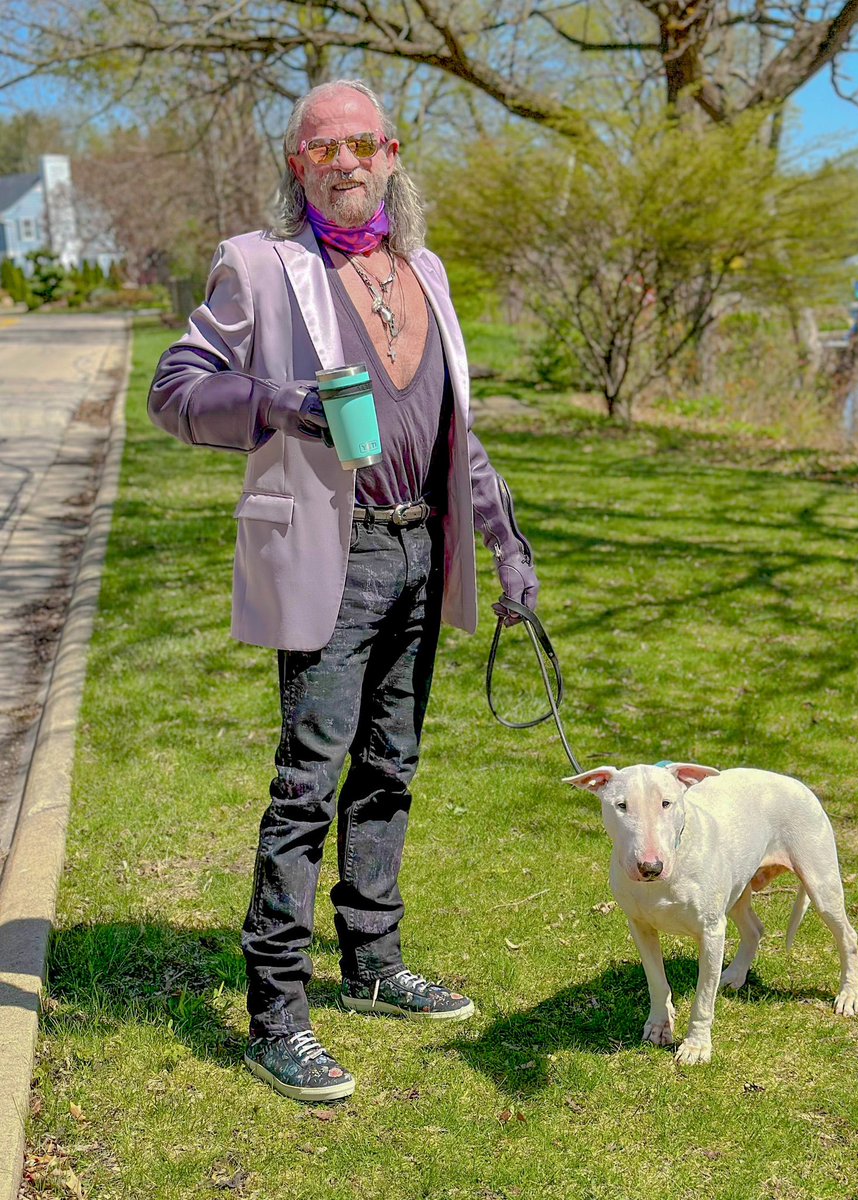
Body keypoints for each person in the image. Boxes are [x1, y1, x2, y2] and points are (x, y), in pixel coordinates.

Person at [147, 79, 539, 1105]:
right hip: (335, 554)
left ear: (394, 153)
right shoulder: (264, 269)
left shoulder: (428, 272)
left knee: (391, 768)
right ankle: (277, 1013)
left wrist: (506, 546)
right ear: (297, 166)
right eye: (321, 147)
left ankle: (371, 962)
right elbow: (174, 389)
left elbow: (461, 433)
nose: (344, 159)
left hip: (423, 550)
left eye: (362, 142)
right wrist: (269, 402)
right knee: (306, 786)